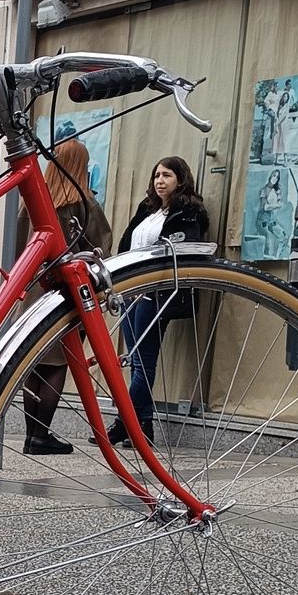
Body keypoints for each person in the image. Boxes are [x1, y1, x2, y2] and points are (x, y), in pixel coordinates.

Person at [100, 155, 210, 447]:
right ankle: (143, 426)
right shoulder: (147, 209)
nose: (160, 181)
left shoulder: (188, 212)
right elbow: (128, 245)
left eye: (167, 176)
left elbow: (186, 251)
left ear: (181, 180)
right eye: (157, 175)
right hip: (130, 293)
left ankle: (124, 422)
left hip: (156, 293)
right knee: (135, 362)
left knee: (144, 362)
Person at [21, 138, 111, 456]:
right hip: (66, 294)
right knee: (58, 364)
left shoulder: (33, 202)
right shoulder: (85, 204)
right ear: (81, 166)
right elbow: (103, 249)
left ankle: (32, 434)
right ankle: (41, 435)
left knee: (34, 364)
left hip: (32, 291)